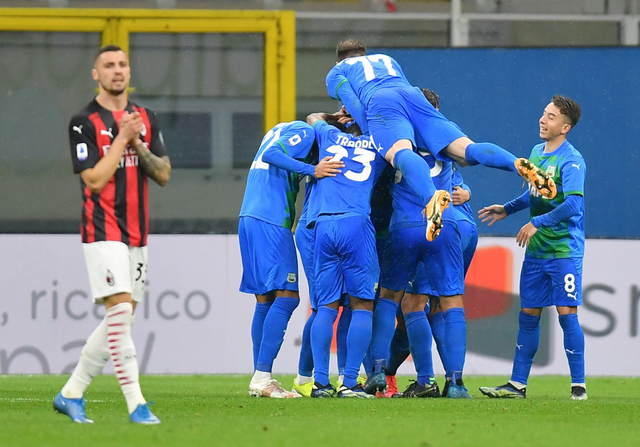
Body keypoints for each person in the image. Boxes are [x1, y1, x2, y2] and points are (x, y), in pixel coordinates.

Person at [325, 39, 558, 240]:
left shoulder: (336, 72)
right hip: (412, 95)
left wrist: (373, 134)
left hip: (380, 102)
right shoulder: (385, 59)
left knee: (401, 153)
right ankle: (517, 164)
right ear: (365, 53)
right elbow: (402, 87)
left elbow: (353, 103)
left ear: (338, 60)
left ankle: (431, 199)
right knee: (466, 150)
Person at [54, 45, 171, 424]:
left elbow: (164, 174)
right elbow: (93, 179)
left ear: (129, 71)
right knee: (120, 312)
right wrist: (121, 139)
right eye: (108, 66)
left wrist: (135, 139)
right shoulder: (83, 120)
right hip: (102, 229)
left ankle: (71, 393)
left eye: (122, 65)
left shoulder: (145, 118)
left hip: (137, 234)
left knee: (118, 321)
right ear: (95, 74)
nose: (116, 71)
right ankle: (137, 405)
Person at [478, 95, 587, 400]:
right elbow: (533, 194)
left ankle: (578, 386)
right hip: (536, 252)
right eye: (544, 114)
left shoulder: (572, 160)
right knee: (528, 314)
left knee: (567, 314)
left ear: (565, 128)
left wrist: (538, 223)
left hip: (563, 251)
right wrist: (507, 209)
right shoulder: (536, 152)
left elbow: (574, 204)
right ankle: (517, 385)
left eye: (551, 117)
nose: (543, 119)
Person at [239, 120, 343, 398]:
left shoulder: (279, 129)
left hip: (250, 215)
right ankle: (262, 378)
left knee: (265, 300)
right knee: (287, 297)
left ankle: (260, 378)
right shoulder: (304, 132)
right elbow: (271, 154)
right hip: (270, 219)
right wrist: (313, 170)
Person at [305, 112, 387, 398]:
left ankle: (320, 383)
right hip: (356, 222)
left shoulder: (329, 136)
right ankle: (350, 383)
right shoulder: (379, 143)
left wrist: (335, 117)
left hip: (324, 224)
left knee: (326, 307)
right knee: (362, 306)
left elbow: (312, 116)